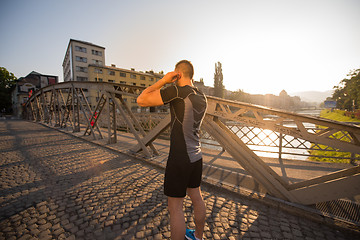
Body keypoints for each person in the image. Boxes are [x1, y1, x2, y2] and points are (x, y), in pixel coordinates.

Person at [137, 60, 207, 240]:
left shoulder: (177, 91)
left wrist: (163, 81)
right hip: (196, 156)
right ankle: (198, 237)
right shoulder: (201, 96)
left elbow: (142, 99)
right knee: (196, 196)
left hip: (180, 157)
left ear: (178, 74)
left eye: (175, 75)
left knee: (175, 207)